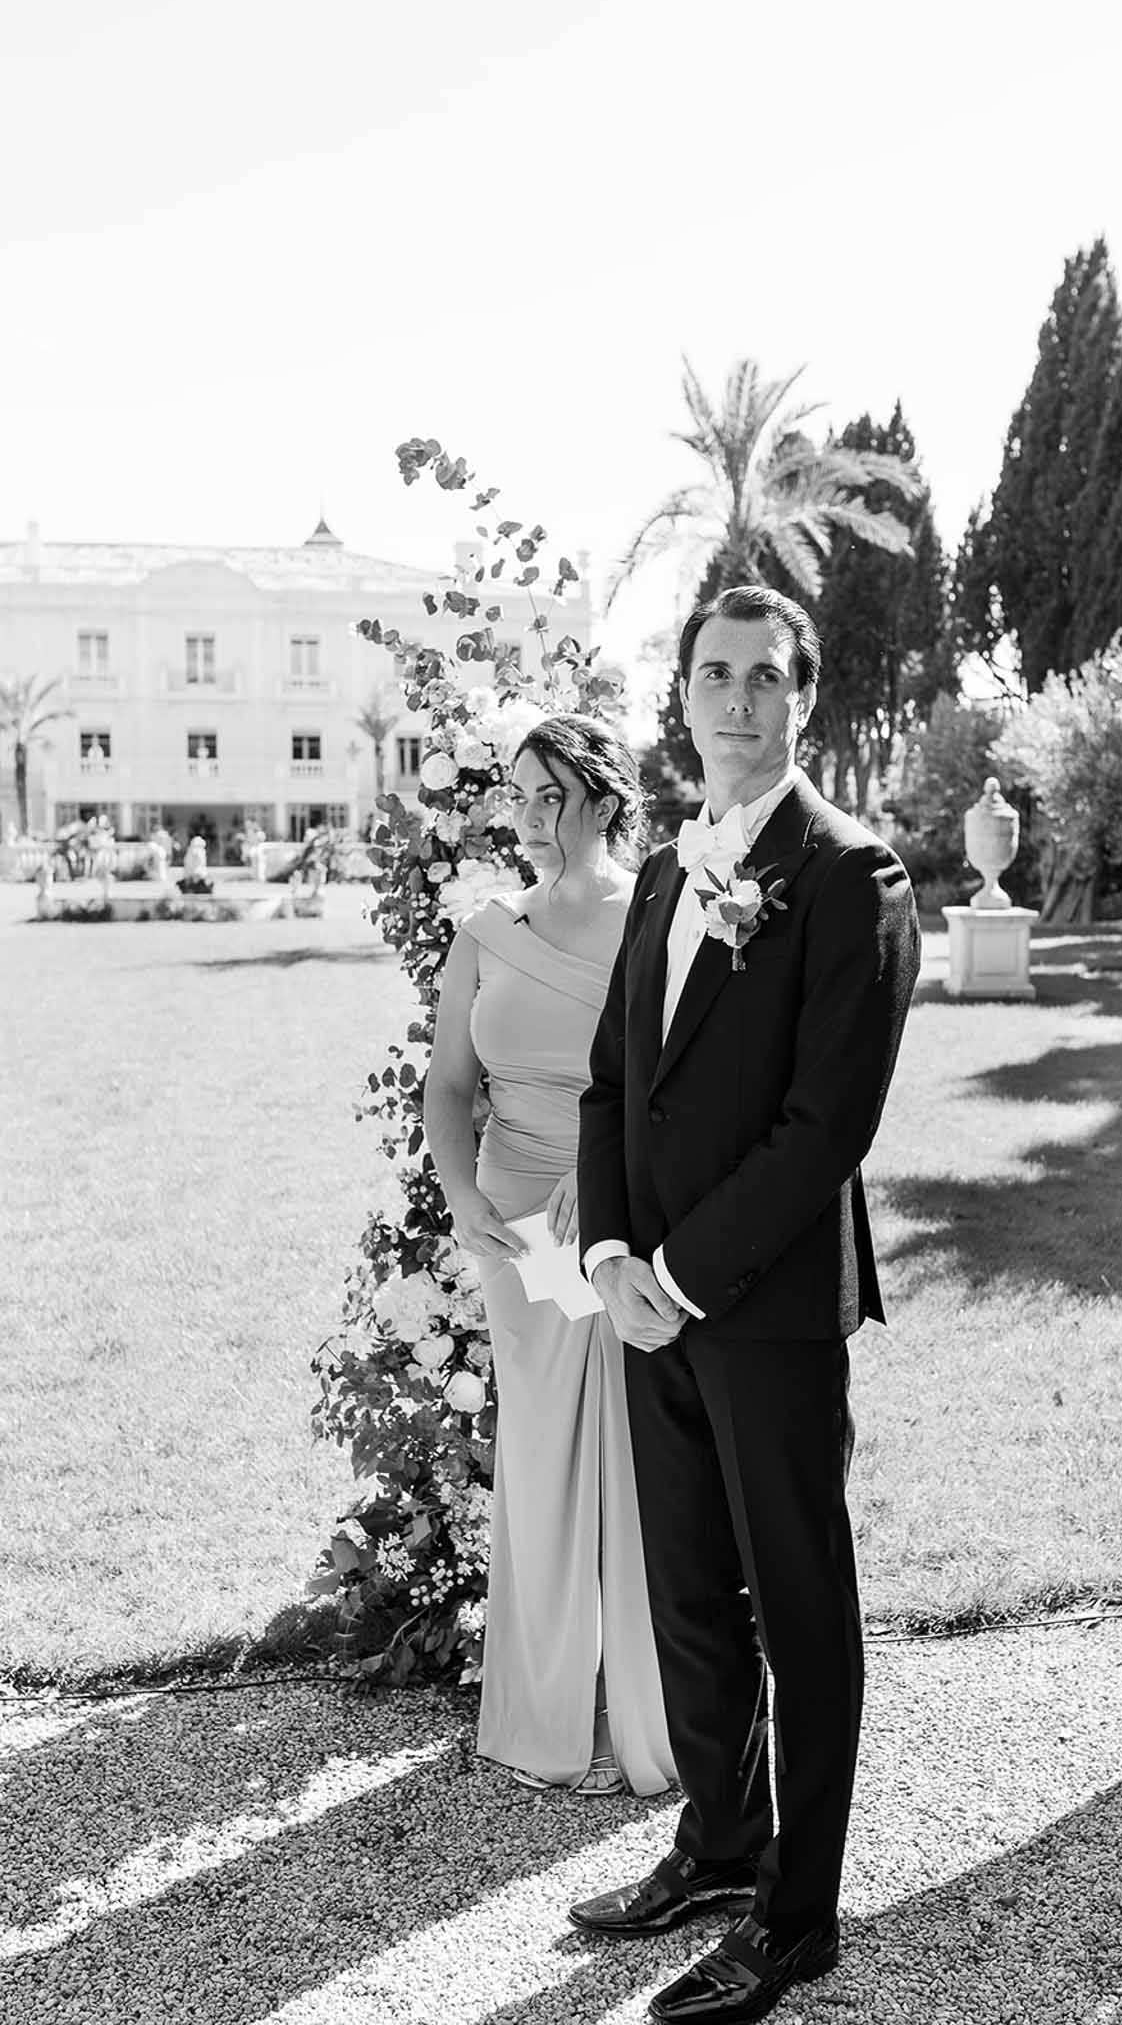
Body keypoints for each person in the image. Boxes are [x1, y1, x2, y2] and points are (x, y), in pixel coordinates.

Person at [570, 587, 919, 2025]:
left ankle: (798, 1914)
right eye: (709, 675)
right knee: (686, 1596)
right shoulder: (663, 870)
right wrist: (605, 1261)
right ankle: (720, 1842)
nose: (733, 700)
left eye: (762, 677)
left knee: (797, 1603)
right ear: (680, 697)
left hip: (761, 1312)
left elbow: (823, 1125)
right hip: (644, 1306)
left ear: (804, 699)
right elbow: (611, 1084)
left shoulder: (854, 875)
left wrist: (682, 1274)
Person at [424, 714, 673, 1798]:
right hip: (513, 1222)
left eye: (544, 795)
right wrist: (461, 1192)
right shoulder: (483, 928)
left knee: (636, 1452)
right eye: (513, 794)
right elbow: (445, 1084)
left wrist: (611, 1169)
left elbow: (682, 1073)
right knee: (538, 1459)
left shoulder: (658, 917)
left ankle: (655, 1717)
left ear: (605, 799)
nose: (519, 814)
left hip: (624, 1213)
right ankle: (544, 1717)